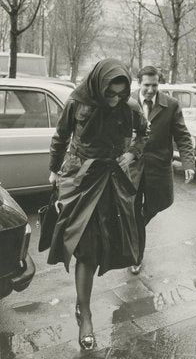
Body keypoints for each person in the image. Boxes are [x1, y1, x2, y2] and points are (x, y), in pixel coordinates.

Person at [47, 58, 147, 351]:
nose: (116, 100)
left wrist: (132, 154)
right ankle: (85, 314)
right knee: (86, 249)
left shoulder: (130, 108)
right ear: (98, 85)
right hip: (80, 180)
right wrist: (54, 170)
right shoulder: (77, 102)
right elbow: (61, 136)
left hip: (113, 182)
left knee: (116, 243)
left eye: (121, 93)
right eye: (110, 93)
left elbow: (143, 133)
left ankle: (85, 307)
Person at [131, 65, 195, 274]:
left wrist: (188, 162)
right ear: (139, 83)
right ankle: (136, 257)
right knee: (133, 212)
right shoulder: (127, 102)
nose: (151, 90)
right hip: (132, 168)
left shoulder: (171, 105)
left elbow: (182, 135)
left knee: (162, 202)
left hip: (158, 168)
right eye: (147, 85)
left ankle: (136, 226)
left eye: (155, 85)